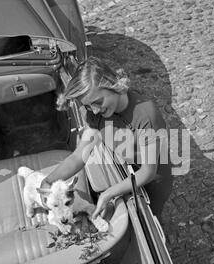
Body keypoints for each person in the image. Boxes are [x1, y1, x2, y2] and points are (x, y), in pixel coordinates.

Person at [41, 57, 173, 221]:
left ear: (113, 85)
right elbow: (79, 155)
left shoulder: (145, 115)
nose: (94, 111)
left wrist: (108, 193)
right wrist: (48, 180)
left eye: (97, 102)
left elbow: (148, 171)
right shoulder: (96, 113)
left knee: (151, 216)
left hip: (154, 179)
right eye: (88, 106)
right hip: (129, 169)